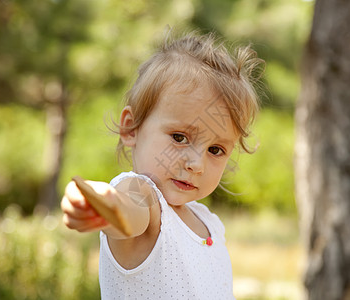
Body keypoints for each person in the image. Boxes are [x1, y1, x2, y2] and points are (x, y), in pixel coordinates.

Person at [61, 31, 263, 299]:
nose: (196, 164)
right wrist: (101, 202)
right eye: (179, 138)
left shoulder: (208, 222)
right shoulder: (144, 196)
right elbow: (128, 210)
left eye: (215, 149)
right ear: (131, 127)